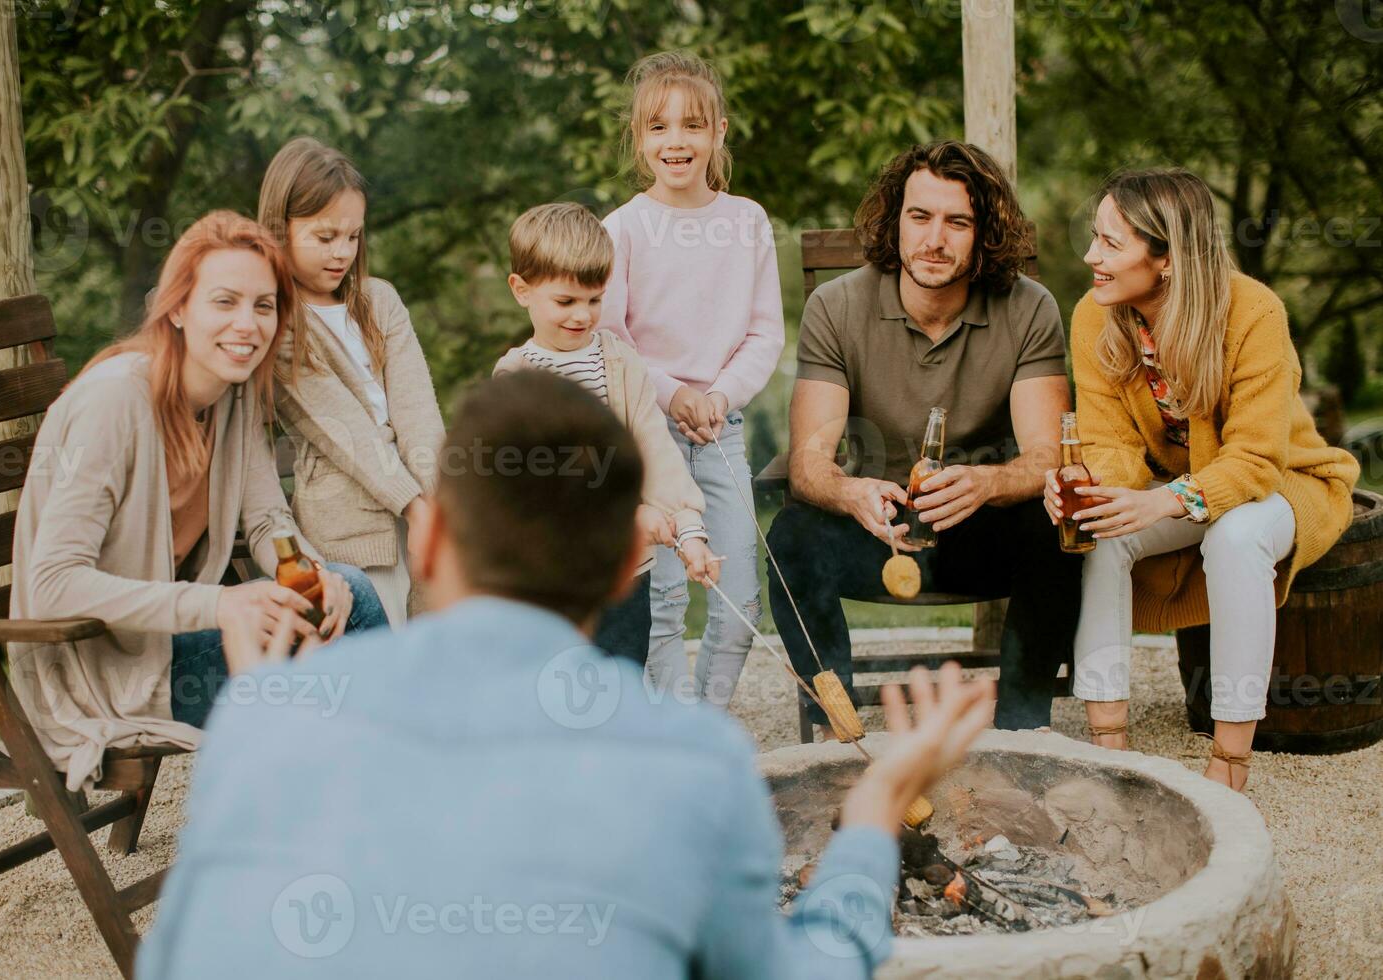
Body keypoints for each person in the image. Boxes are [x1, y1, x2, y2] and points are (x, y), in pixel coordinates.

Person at [138, 370, 996, 979]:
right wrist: (876, 816)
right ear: (630, 558)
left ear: (431, 542)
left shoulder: (261, 721)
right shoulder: (695, 760)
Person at [8, 211, 387, 792]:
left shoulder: (234, 394)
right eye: (225, 301)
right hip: (102, 670)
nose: (248, 324)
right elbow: (55, 583)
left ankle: (353, 793)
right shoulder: (115, 402)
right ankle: (384, 791)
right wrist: (218, 607)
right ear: (178, 309)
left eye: (264, 306)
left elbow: (268, 523)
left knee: (342, 594)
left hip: (165, 646)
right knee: (348, 620)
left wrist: (311, 576)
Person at [1045, 168, 1359, 790]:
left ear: (1166, 257)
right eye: (1094, 238)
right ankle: (1110, 748)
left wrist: (1164, 501)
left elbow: (1255, 460)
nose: (1091, 256)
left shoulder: (1252, 311)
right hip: (1178, 486)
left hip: (1283, 483)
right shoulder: (1094, 315)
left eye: (1111, 243)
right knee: (1103, 530)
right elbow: (1108, 441)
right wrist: (1091, 486)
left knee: (1235, 537)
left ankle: (1231, 761)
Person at [766, 139, 1083, 735]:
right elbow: (810, 462)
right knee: (793, 537)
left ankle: (1023, 731)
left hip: (980, 526)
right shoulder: (836, 307)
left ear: (983, 231)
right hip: (878, 527)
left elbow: (1046, 457)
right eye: (920, 216)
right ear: (896, 219)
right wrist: (852, 493)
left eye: (957, 221)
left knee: (1056, 523)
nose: (934, 239)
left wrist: (988, 483)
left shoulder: (1030, 308)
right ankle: (837, 731)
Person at [597, 50, 785, 706]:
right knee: (666, 597)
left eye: (692, 125)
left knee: (741, 601)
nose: (676, 141)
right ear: (639, 137)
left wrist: (717, 395)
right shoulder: (620, 230)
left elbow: (765, 334)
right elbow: (611, 341)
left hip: (720, 429)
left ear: (719, 132)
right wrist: (672, 393)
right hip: (649, 431)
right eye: (658, 127)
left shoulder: (747, 223)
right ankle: (672, 731)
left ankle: (706, 723)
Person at [495, 202, 719, 668]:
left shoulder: (618, 361)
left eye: (594, 300)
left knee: (622, 688)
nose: (583, 315)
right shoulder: (516, 376)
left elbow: (652, 446)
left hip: (624, 575)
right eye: (566, 301)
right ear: (522, 290)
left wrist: (688, 529)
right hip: (553, 584)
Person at [260, 136, 446, 626]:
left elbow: (417, 410)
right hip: (349, 529)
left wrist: (437, 502)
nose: (342, 252)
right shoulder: (280, 323)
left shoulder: (379, 301)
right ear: (280, 231)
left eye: (353, 236)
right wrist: (414, 507)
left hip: (421, 511)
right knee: (380, 669)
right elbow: (345, 433)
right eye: (324, 238)